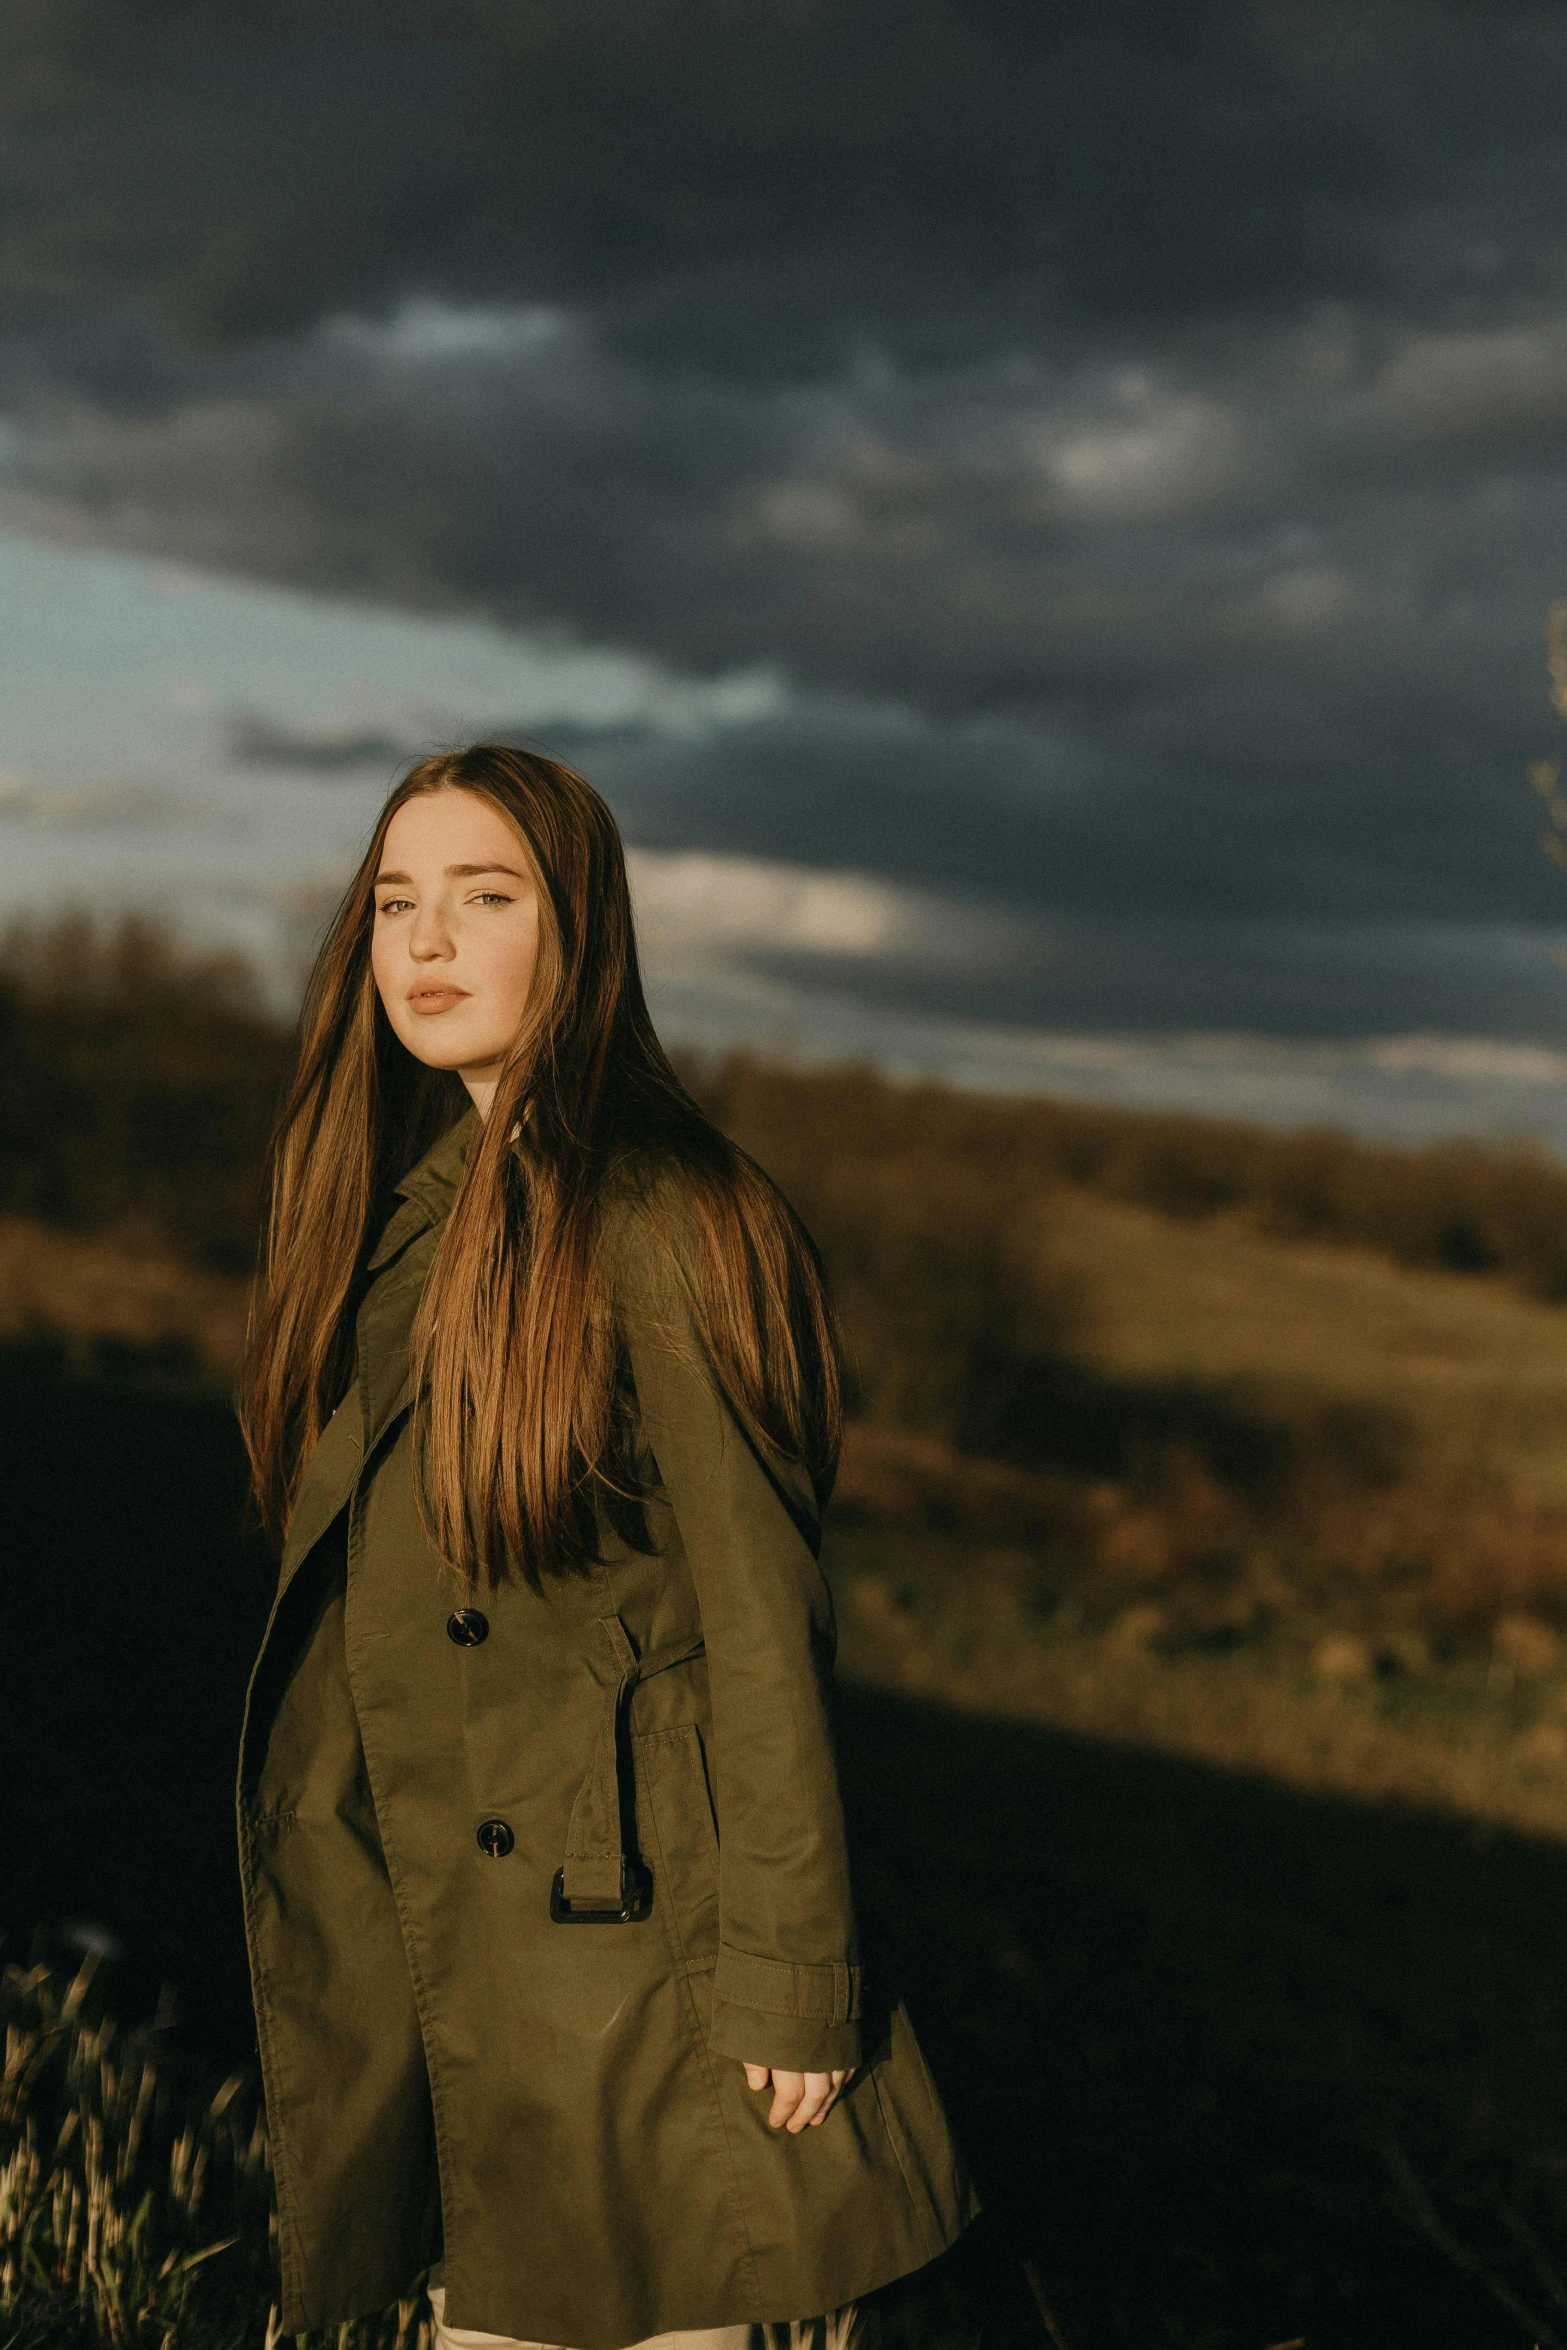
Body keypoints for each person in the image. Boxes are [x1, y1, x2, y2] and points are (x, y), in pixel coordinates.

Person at [236, 745, 977, 2350]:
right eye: (394, 903)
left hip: (653, 1983)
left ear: (581, 935)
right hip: (476, 1972)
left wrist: (796, 1977)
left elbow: (765, 1621)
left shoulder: (668, 1210)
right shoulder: (399, 1211)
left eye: (483, 898)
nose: (424, 943)